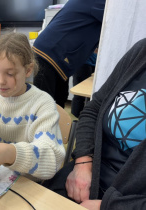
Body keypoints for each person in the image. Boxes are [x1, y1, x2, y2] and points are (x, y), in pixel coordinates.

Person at [43, 38, 146, 209]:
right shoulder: (141, 52)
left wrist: (108, 206)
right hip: (90, 172)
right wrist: (82, 164)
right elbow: (94, 109)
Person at [0, 33, 66, 186]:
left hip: (25, 186)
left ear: (28, 70)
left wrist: (7, 153)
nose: (1, 81)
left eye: (10, 74)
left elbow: (51, 160)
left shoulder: (42, 104)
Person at [33, 0, 106, 108]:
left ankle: (59, 124)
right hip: (50, 52)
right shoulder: (101, 3)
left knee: (59, 98)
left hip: (55, 52)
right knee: (44, 103)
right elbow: (115, 18)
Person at [71, 51, 97, 118]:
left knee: (88, 96)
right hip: (83, 64)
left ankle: (83, 118)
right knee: (79, 95)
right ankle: (75, 120)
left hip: (93, 63)